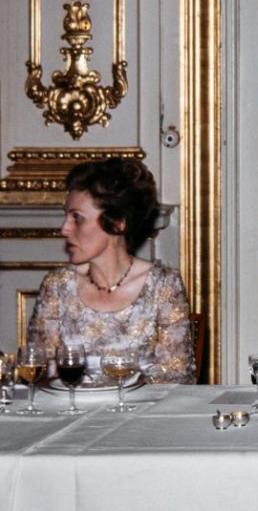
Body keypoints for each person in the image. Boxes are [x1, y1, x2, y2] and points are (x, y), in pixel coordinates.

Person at [28, 158, 195, 383]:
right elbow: (39, 375)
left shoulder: (163, 286)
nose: (64, 229)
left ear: (117, 223)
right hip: (71, 406)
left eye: (77, 218)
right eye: (66, 216)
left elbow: (178, 378)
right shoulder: (57, 286)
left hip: (143, 407)